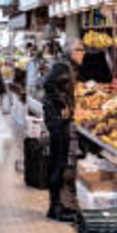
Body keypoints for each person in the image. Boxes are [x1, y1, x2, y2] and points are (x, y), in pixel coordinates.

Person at [42, 40, 81, 222]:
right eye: (80, 50)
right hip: (58, 121)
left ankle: (56, 206)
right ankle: (56, 208)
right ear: (71, 52)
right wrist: (62, 105)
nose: (83, 53)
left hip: (57, 120)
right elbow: (48, 84)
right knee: (58, 162)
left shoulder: (66, 66)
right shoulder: (62, 66)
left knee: (58, 162)